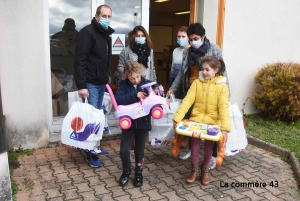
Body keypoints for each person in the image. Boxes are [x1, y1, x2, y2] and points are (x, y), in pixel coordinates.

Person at [167, 23, 229, 168]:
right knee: (191, 121)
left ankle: (212, 156)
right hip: (193, 89)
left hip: (212, 91)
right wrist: (173, 88)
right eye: (190, 39)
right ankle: (191, 150)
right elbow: (182, 73)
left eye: (195, 38)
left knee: (211, 124)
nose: (192, 42)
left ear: (203, 37)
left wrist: (227, 92)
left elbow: (223, 72)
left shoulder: (214, 49)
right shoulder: (187, 52)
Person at [172, 55, 231, 185]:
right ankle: (194, 170)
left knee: (209, 148)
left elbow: (223, 107)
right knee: (195, 146)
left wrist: (225, 128)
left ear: (216, 70)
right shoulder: (196, 83)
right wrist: (177, 118)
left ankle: (205, 171)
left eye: (207, 69)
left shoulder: (222, 87)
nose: (204, 72)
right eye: (202, 69)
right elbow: (187, 101)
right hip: (196, 121)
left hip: (212, 123)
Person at [74, 4, 114, 168]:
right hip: (90, 83)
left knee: (97, 118)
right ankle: (89, 153)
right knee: (91, 118)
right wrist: (82, 85)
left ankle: (95, 146)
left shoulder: (106, 35)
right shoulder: (87, 32)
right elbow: (80, 59)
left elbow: (103, 59)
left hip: (100, 82)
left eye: (108, 17)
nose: (106, 19)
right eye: (103, 16)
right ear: (97, 16)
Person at [117, 26, 157, 150]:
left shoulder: (149, 51)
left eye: (142, 35)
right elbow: (120, 66)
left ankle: (140, 138)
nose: (140, 38)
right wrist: (129, 74)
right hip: (132, 85)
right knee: (133, 111)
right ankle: (132, 138)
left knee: (144, 112)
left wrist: (154, 84)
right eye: (137, 35)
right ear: (133, 36)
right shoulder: (126, 50)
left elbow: (152, 67)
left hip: (145, 85)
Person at [115, 60, 152, 187]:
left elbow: (155, 94)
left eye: (137, 77)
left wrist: (156, 91)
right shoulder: (123, 86)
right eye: (132, 78)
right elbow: (119, 100)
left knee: (139, 151)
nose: (136, 80)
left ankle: (138, 173)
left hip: (143, 123)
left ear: (141, 73)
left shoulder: (147, 84)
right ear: (126, 76)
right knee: (124, 151)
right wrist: (135, 95)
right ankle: (126, 171)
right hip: (128, 123)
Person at [169, 26, 191, 160]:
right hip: (176, 86)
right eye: (179, 37)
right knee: (178, 112)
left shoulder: (190, 51)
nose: (180, 39)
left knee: (187, 113)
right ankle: (179, 137)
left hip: (187, 86)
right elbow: (173, 70)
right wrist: (171, 87)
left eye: (183, 36)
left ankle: (186, 139)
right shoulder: (176, 51)